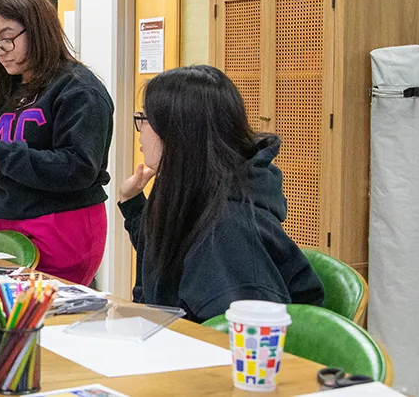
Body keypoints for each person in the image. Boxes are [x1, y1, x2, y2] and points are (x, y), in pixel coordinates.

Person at [118, 65, 325, 322]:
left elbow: (244, 333)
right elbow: (169, 258)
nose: (140, 129)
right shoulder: (198, 189)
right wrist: (132, 203)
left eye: (145, 118)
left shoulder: (227, 231)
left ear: (177, 132)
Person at [0, 0, 114, 285]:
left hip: (60, 227)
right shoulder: (6, 89)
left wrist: (0, 154)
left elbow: (78, 168)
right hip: (1, 226)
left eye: (7, 40)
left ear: (38, 30)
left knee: (45, 310)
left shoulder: (79, 89)